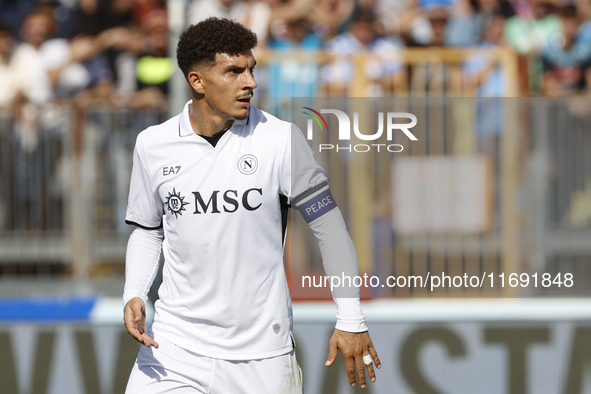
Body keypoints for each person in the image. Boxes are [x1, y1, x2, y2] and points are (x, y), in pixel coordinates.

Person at [122, 17, 381, 393]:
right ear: (197, 81)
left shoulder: (280, 139)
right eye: (234, 72)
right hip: (174, 348)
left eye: (251, 69)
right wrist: (134, 291)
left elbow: (330, 230)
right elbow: (148, 231)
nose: (250, 83)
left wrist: (351, 317)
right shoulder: (152, 144)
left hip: (262, 356)